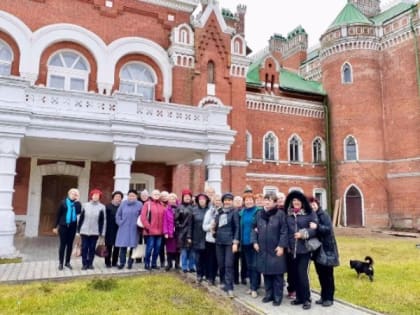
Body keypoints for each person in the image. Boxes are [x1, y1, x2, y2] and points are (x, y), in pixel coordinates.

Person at [252, 193, 288, 306]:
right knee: (266, 272)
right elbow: (253, 229)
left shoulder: (280, 214)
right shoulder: (259, 214)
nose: (267, 202)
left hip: (276, 248)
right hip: (263, 249)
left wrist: (281, 246)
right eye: (265, 200)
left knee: (277, 274)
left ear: (275, 202)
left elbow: (284, 231)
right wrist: (255, 242)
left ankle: (277, 297)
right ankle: (269, 295)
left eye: (270, 200)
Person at [285, 190, 318, 310]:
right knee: (295, 275)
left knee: (302, 274)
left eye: (298, 200)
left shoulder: (309, 213)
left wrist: (304, 233)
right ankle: (299, 297)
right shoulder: (288, 214)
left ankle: (307, 299)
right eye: (294, 200)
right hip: (291, 250)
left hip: (304, 249)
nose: (296, 202)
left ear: (302, 201)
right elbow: (286, 231)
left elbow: (314, 229)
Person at [308, 197, 339, 307]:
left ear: (317, 203)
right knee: (320, 274)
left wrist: (317, 227)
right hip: (317, 249)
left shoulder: (324, 215)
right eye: (310, 204)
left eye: (314, 203)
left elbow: (328, 229)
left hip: (327, 250)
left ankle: (329, 298)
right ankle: (323, 296)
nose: (313, 206)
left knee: (328, 275)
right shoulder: (312, 216)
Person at [213, 192, 240, 298]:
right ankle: (224, 283)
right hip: (219, 242)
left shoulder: (235, 212)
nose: (227, 202)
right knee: (221, 264)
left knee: (229, 264)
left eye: (229, 200)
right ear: (223, 201)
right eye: (226, 200)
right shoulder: (219, 212)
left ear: (231, 201)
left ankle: (230, 287)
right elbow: (216, 225)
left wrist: (235, 242)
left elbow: (237, 227)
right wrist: (214, 231)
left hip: (230, 242)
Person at [52, 188, 82, 270]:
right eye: (72, 193)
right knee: (63, 245)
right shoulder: (63, 203)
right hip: (63, 226)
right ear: (69, 194)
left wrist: (77, 202)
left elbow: (79, 213)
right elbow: (58, 215)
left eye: (75, 194)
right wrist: (55, 226)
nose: (74, 195)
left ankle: (67, 262)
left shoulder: (77, 204)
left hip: (72, 227)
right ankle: (61, 263)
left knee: (69, 245)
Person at [77, 189, 106, 270]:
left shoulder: (102, 207)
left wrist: (102, 232)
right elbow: (80, 218)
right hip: (84, 230)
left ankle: (90, 263)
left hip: (95, 231)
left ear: (99, 197)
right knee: (84, 247)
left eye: (97, 195)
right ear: (91, 196)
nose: (95, 197)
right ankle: (84, 264)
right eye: (94, 195)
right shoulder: (85, 205)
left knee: (92, 248)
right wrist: (78, 230)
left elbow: (103, 220)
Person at [239, 193, 260, 298]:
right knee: (249, 266)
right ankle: (252, 286)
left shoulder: (258, 212)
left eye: (250, 200)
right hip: (245, 243)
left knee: (254, 266)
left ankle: (254, 288)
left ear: (254, 200)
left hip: (254, 243)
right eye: (246, 200)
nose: (248, 201)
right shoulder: (242, 212)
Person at [115, 189, 142, 269]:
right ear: (128, 196)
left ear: (136, 196)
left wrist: (139, 225)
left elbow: (142, 216)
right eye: (130, 195)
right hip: (124, 228)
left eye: (133, 195)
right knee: (123, 246)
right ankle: (122, 263)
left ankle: (130, 262)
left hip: (134, 228)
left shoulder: (140, 204)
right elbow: (118, 215)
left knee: (133, 246)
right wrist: (120, 222)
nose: (131, 197)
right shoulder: (123, 204)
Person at [141, 189, 165, 270]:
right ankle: (147, 263)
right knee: (149, 248)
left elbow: (164, 218)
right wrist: (149, 227)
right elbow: (143, 218)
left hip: (160, 232)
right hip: (150, 232)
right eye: (155, 194)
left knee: (157, 248)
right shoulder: (147, 204)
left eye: (158, 194)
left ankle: (154, 263)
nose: (156, 195)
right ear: (151, 195)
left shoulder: (161, 205)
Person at [189, 193, 210, 282]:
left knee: (206, 257)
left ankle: (206, 274)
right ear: (198, 201)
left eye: (203, 199)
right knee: (197, 258)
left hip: (207, 237)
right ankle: (199, 274)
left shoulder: (209, 210)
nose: (202, 201)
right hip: (196, 237)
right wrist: (189, 236)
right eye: (200, 199)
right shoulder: (194, 211)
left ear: (206, 201)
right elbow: (190, 225)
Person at [175, 189, 195, 273]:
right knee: (184, 250)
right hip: (182, 232)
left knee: (192, 250)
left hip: (193, 231)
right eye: (185, 197)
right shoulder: (179, 207)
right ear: (183, 197)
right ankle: (184, 266)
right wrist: (180, 226)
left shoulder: (194, 207)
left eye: (189, 197)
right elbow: (176, 220)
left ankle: (191, 266)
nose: (187, 198)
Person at [202, 194, 218, 285]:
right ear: (213, 201)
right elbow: (204, 226)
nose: (218, 202)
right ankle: (210, 277)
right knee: (210, 259)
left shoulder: (224, 211)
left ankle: (214, 276)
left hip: (221, 239)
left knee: (217, 260)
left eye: (220, 200)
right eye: (216, 200)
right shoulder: (209, 212)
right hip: (210, 239)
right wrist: (211, 227)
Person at [104, 191, 123, 268]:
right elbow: (104, 219)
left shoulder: (121, 207)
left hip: (118, 229)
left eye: (119, 197)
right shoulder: (108, 206)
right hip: (109, 229)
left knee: (117, 246)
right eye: (116, 196)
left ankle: (114, 262)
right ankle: (107, 262)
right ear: (113, 197)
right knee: (108, 246)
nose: (118, 198)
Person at [163, 192, 179, 271]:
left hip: (178, 232)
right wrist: (165, 232)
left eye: (174, 199)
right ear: (168, 200)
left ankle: (177, 264)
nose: (172, 200)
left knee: (177, 248)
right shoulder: (166, 210)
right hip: (170, 232)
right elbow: (165, 222)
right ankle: (169, 264)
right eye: (171, 199)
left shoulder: (179, 208)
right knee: (169, 249)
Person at [233, 195, 247, 285]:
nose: (238, 202)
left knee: (244, 260)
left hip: (243, 238)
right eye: (236, 200)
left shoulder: (244, 211)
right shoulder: (232, 211)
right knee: (234, 260)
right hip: (234, 239)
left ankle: (243, 277)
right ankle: (235, 278)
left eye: (240, 200)